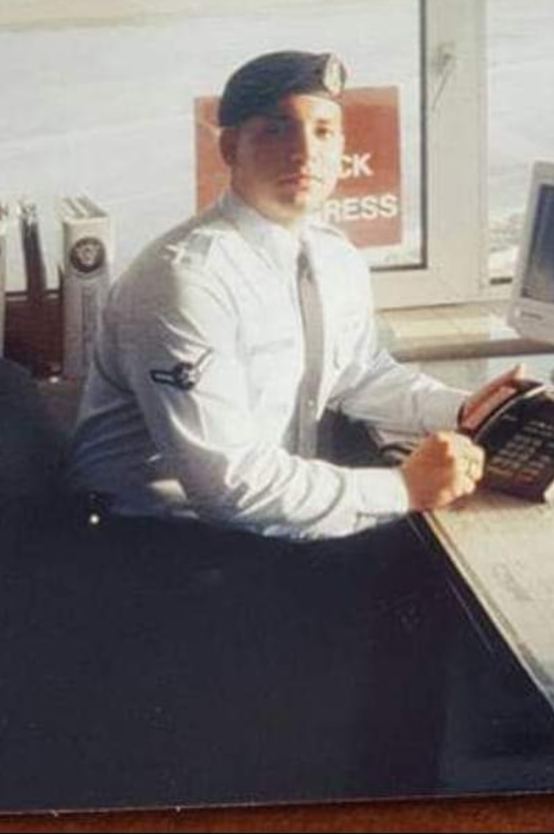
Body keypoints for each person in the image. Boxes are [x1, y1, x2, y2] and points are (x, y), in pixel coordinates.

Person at [68, 49, 518, 540]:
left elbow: (358, 376)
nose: (306, 151)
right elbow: (227, 487)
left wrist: (465, 410)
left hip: (263, 523)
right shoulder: (185, 280)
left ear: (342, 146)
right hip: (159, 550)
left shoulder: (334, 255)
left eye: (323, 131)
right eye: (278, 129)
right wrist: (404, 489)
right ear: (230, 148)